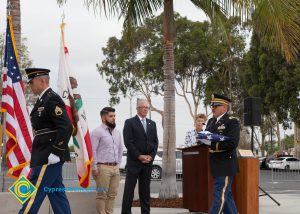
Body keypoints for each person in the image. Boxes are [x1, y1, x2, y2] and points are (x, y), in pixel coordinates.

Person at [19, 68, 73, 214]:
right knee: (57, 194)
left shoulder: (52, 98)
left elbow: (66, 126)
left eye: (31, 82)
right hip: (42, 154)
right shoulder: (43, 99)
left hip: (48, 156)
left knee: (33, 194)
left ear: (42, 81)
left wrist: (56, 152)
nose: (30, 85)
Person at [203, 93, 240, 214]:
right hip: (215, 164)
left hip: (225, 165)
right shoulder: (210, 121)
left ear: (224, 107)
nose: (212, 108)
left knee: (219, 195)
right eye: (212, 105)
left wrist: (212, 145)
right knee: (226, 196)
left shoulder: (232, 121)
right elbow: (206, 138)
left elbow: (232, 143)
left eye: (216, 105)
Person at [121, 99, 158, 214]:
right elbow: (128, 142)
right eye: (143, 107)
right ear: (137, 108)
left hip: (147, 164)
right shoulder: (130, 122)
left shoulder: (152, 124)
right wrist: (139, 156)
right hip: (134, 163)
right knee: (129, 191)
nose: (146, 109)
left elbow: (155, 143)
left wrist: (151, 156)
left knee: (145, 192)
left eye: (147, 107)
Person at [91, 107, 123, 214]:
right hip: (102, 167)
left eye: (114, 116)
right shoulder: (97, 132)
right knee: (102, 195)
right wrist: (94, 167)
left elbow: (120, 149)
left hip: (115, 168)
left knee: (112, 195)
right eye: (111, 116)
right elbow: (93, 151)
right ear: (104, 118)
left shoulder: (117, 133)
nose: (114, 118)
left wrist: (118, 164)